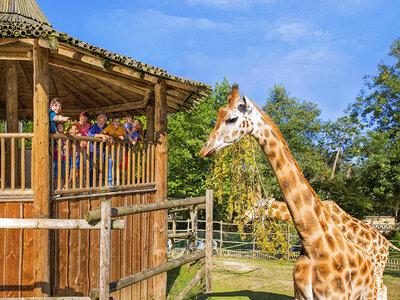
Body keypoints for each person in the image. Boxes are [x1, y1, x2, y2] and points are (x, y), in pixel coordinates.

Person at [88, 114, 113, 188]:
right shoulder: (93, 126)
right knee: (91, 166)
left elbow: (111, 134)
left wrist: (110, 137)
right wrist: (102, 136)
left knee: (109, 161)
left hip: (103, 150)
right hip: (93, 150)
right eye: (99, 120)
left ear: (105, 121)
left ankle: (109, 180)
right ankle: (90, 185)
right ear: (97, 120)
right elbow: (90, 135)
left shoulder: (107, 127)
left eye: (103, 121)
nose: (101, 122)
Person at [53, 123, 66, 189]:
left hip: (64, 157)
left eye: (61, 126)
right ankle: (55, 187)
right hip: (56, 157)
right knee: (56, 173)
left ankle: (61, 187)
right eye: (58, 126)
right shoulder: (55, 136)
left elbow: (67, 146)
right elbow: (56, 147)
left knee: (63, 173)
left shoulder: (65, 136)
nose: (60, 127)